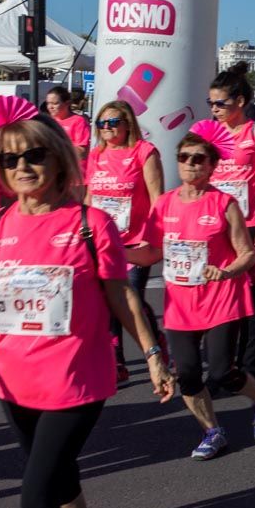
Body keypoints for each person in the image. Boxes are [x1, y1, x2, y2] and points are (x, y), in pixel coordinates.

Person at [0, 96, 174, 508]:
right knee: (59, 477)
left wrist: (153, 354)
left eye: (34, 155)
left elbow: (122, 295)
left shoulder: (91, 224)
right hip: (14, 382)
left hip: (76, 379)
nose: (22, 167)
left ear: (59, 159)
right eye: (10, 159)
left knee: (36, 495)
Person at [140, 120, 255, 459]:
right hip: (180, 303)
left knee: (221, 371)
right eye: (185, 157)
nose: (191, 164)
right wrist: (112, 248)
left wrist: (226, 270)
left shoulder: (224, 204)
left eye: (199, 158)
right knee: (187, 374)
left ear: (213, 165)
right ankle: (212, 431)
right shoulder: (164, 204)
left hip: (220, 299)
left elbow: (247, 255)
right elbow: (152, 252)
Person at [85, 100, 166, 383]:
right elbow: (89, 198)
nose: (106, 128)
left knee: (131, 295)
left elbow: (158, 198)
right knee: (108, 297)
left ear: (128, 123)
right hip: (103, 239)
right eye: (101, 123)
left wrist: (155, 240)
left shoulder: (144, 152)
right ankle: (116, 360)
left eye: (112, 122)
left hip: (136, 241)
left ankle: (155, 341)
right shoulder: (95, 155)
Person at [208, 64, 255, 382]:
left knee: (249, 291)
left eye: (220, 103)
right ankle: (222, 366)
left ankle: (248, 367)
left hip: (250, 223)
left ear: (239, 101)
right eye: (211, 103)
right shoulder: (211, 133)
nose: (214, 109)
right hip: (218, 225)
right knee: (220, 291)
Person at [45, 86, 91, 167]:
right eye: (48, 103)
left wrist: (57, 148)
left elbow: (82, 152)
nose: (50, 107)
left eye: (55, 103)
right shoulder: (49, 121)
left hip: (73, 170)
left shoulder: (78, 121)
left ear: (67, 103)